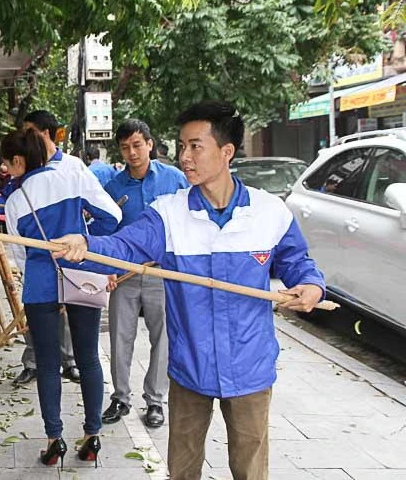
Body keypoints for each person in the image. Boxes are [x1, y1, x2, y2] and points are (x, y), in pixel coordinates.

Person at [51, 101, 325, 480]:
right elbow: (125, 248)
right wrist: (84, 247)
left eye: (195, 146)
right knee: (181, 470)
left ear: (226, 152)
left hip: (250, 367)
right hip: (189, 366)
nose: (185, 157)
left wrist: (311, 285)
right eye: (182, 146)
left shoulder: (268, 212)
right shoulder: (168, 214)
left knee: (251, 469)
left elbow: (297, 261)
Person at [0, 128, 122, 467]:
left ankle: (54, 439)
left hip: (40, 282)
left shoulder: (15, 200)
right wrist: (83, 240)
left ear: (19, 161)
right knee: (88, 357)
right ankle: (92, 434)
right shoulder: (72, 176)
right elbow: (113, 217)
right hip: (81, 271)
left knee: (49, 363)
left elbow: (20, 254)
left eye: (8, 164)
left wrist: (42, 266)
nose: (7, 171)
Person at [0, 110, 88, 385]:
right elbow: (10, 205)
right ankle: (34, 363)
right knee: (36, 315)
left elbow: (94, 213)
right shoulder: (20, 179)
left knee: (67, 315)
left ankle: (69, 362)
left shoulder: (72, 168)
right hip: (37, 263)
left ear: (44, 134)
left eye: (30, 132)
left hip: (70, 259)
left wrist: (92, 250)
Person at [100, 120, 188, 428]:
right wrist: (108, 270)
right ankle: (120, 397)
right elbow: (106, 231)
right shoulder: (113, 187)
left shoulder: (175, 180)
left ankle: (155, 401)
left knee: (162, 337)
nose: (132, 153)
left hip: (161, 272)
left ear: (150, 144)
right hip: (124, 273)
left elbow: (190, 221)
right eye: (125, 147)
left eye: (137, 145)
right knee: (120, 336)